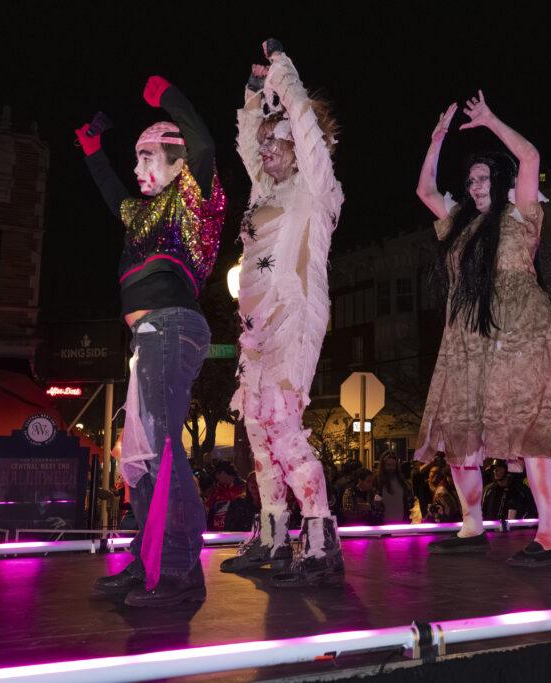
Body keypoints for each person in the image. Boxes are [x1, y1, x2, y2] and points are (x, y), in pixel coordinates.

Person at [78, 75, 223, 606]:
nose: (137, 170)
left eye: (147, 158)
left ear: (178, 164)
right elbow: (110, 190)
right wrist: (92, 151)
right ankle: (149, 560)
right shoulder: (140, 214)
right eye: (135, 160)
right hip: (148, 335)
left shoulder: (193, 196)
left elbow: (203, 143)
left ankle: (181, 569)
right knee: (137, 458)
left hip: (173, 325)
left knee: (162, 446)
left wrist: (167, 98)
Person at [413, 92, 551, 567]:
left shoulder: (521, 213)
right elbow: (425, 191)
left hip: (518, 331)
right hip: (466, 336)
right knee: (460, 431)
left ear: (499, 182)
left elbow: (530, 156)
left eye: (483, 178)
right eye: (471, 180)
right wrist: (437, 139)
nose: (475, 185)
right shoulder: (460, 225)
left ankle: (548, 535)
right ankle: (472, 525)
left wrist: (490, 120)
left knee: (528, 428)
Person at [221, 39, 346, 587]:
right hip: (255, 330)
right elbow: (249, 146)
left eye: (278, 140)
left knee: (282, 423)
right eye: (265, 141)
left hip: (295, 316)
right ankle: (273, 533)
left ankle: (320, 539)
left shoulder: (316, 189)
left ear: (299, 146)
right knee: (255, 424)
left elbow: (305, 126)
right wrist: (253, 95)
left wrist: (283, 72)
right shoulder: (262, 190)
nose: (267, 148)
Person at [376, 451, 415, 523]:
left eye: (393, 465)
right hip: (383, 522)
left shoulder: (402, 482)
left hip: (400, 521)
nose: (391, 467)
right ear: (383, 465)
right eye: (388, 465)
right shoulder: (377, 482)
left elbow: (409, 501)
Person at [207, 461, 246, 531]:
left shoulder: (243, 488)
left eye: (217, 474)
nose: (216, 477)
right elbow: (210, 514)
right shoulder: (216, 490)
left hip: (237, 534)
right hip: (218, 534)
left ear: (223, 473)